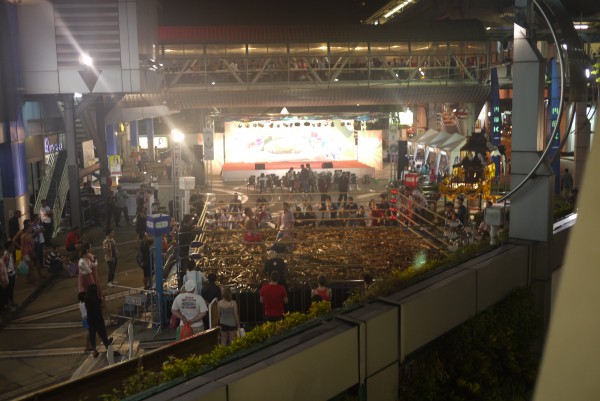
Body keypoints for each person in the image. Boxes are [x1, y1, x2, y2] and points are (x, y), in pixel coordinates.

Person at [85, 284, 113, 358]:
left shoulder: (87, 299)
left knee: (92, 334)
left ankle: (94, 351)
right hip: (98, 318)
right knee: (102, 333)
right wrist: (104, 297)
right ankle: (107, 347)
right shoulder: (96, 299)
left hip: (90, 318)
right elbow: (103, 306)